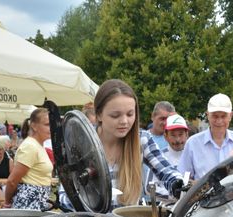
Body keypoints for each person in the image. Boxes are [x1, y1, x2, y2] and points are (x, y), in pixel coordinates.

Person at [59, 79, 183, 210]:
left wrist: (178, 185)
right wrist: (89, 200)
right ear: (99, 115)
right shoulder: (82, 143)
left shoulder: (142, 139)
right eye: (115, 115)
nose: (124, 121)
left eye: (130, 114)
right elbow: (64, 195)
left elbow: (166, 171)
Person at [178, 93, 233, 180]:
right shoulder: (193, 143)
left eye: (223, 116)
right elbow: (184, 177)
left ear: (230, 116)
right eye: (215, 116)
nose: (219, 121)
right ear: (207, 115)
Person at [3, 108, 53, 210]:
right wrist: (7, 203)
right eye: (47, 124)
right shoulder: (30, 146)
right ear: (34, 126)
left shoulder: (38, 145)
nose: (51, 128)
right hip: (29, 203)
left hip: (37, 202)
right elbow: (12, 181)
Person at [147, 114, 189, 199]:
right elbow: (149, 187)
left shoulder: (193, 155)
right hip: (167, 209)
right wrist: (174, 195)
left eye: (181, 134)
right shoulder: (158, 157)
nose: (177, 140)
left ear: (186, 134)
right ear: (165, 136)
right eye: (173, 135)